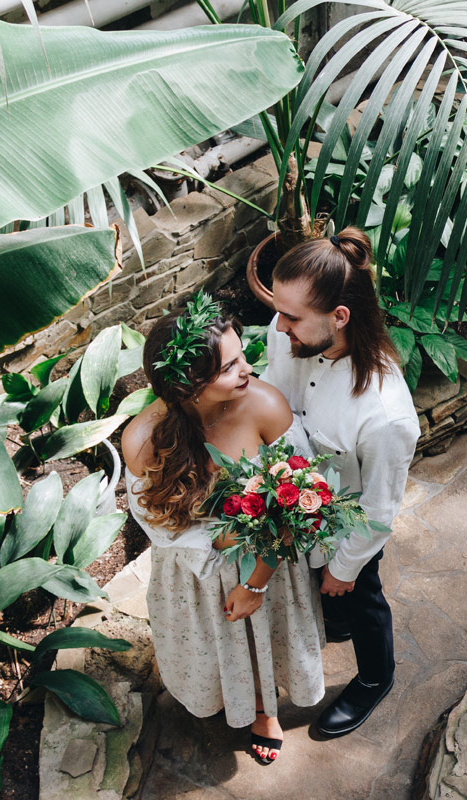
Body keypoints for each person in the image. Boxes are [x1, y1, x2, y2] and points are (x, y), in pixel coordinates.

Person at [122, 295, 326, 766]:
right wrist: (222, 543)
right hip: (196, 567)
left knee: (266, 631)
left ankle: (264, 708)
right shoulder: (144, 440)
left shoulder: (265, 405)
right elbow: (158, 525)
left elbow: (297, 503)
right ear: (190, 386)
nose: (247, 369)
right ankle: (235, 698)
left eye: (242, 356)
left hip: (267, 554)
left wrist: (256, 580)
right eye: (230, 366)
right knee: (216, 638)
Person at [261, 228, 420, 738]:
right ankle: (338, 618)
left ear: (340, 317)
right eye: (279, 310)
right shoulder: (287, 334)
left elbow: (378, 506)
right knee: (324, 596)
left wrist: (345, 567)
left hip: (345, 528)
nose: (278, 325)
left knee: (360, 598)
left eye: (291, 317)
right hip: (297, 505)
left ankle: (377, 677)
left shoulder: (385, 415)